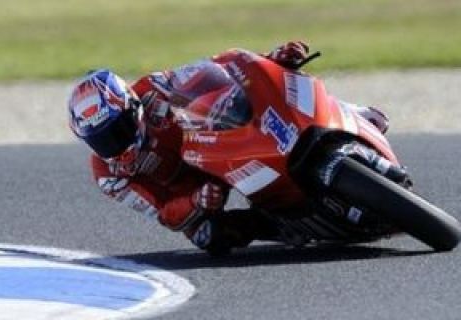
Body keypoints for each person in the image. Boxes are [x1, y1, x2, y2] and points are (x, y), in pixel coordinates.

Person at [67, 41, 389, 254]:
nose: (115, 144)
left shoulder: (153, 88)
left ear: (131, 105)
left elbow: (218, 74)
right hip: (195, 190)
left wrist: (269, 62)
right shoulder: (108, 175)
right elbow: (163, 213)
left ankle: (347, 114)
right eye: (101, 141)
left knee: (270, 95)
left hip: (214, 147)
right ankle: (283, 226)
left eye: (118, 130)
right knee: (210, 238)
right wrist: (195, 201)